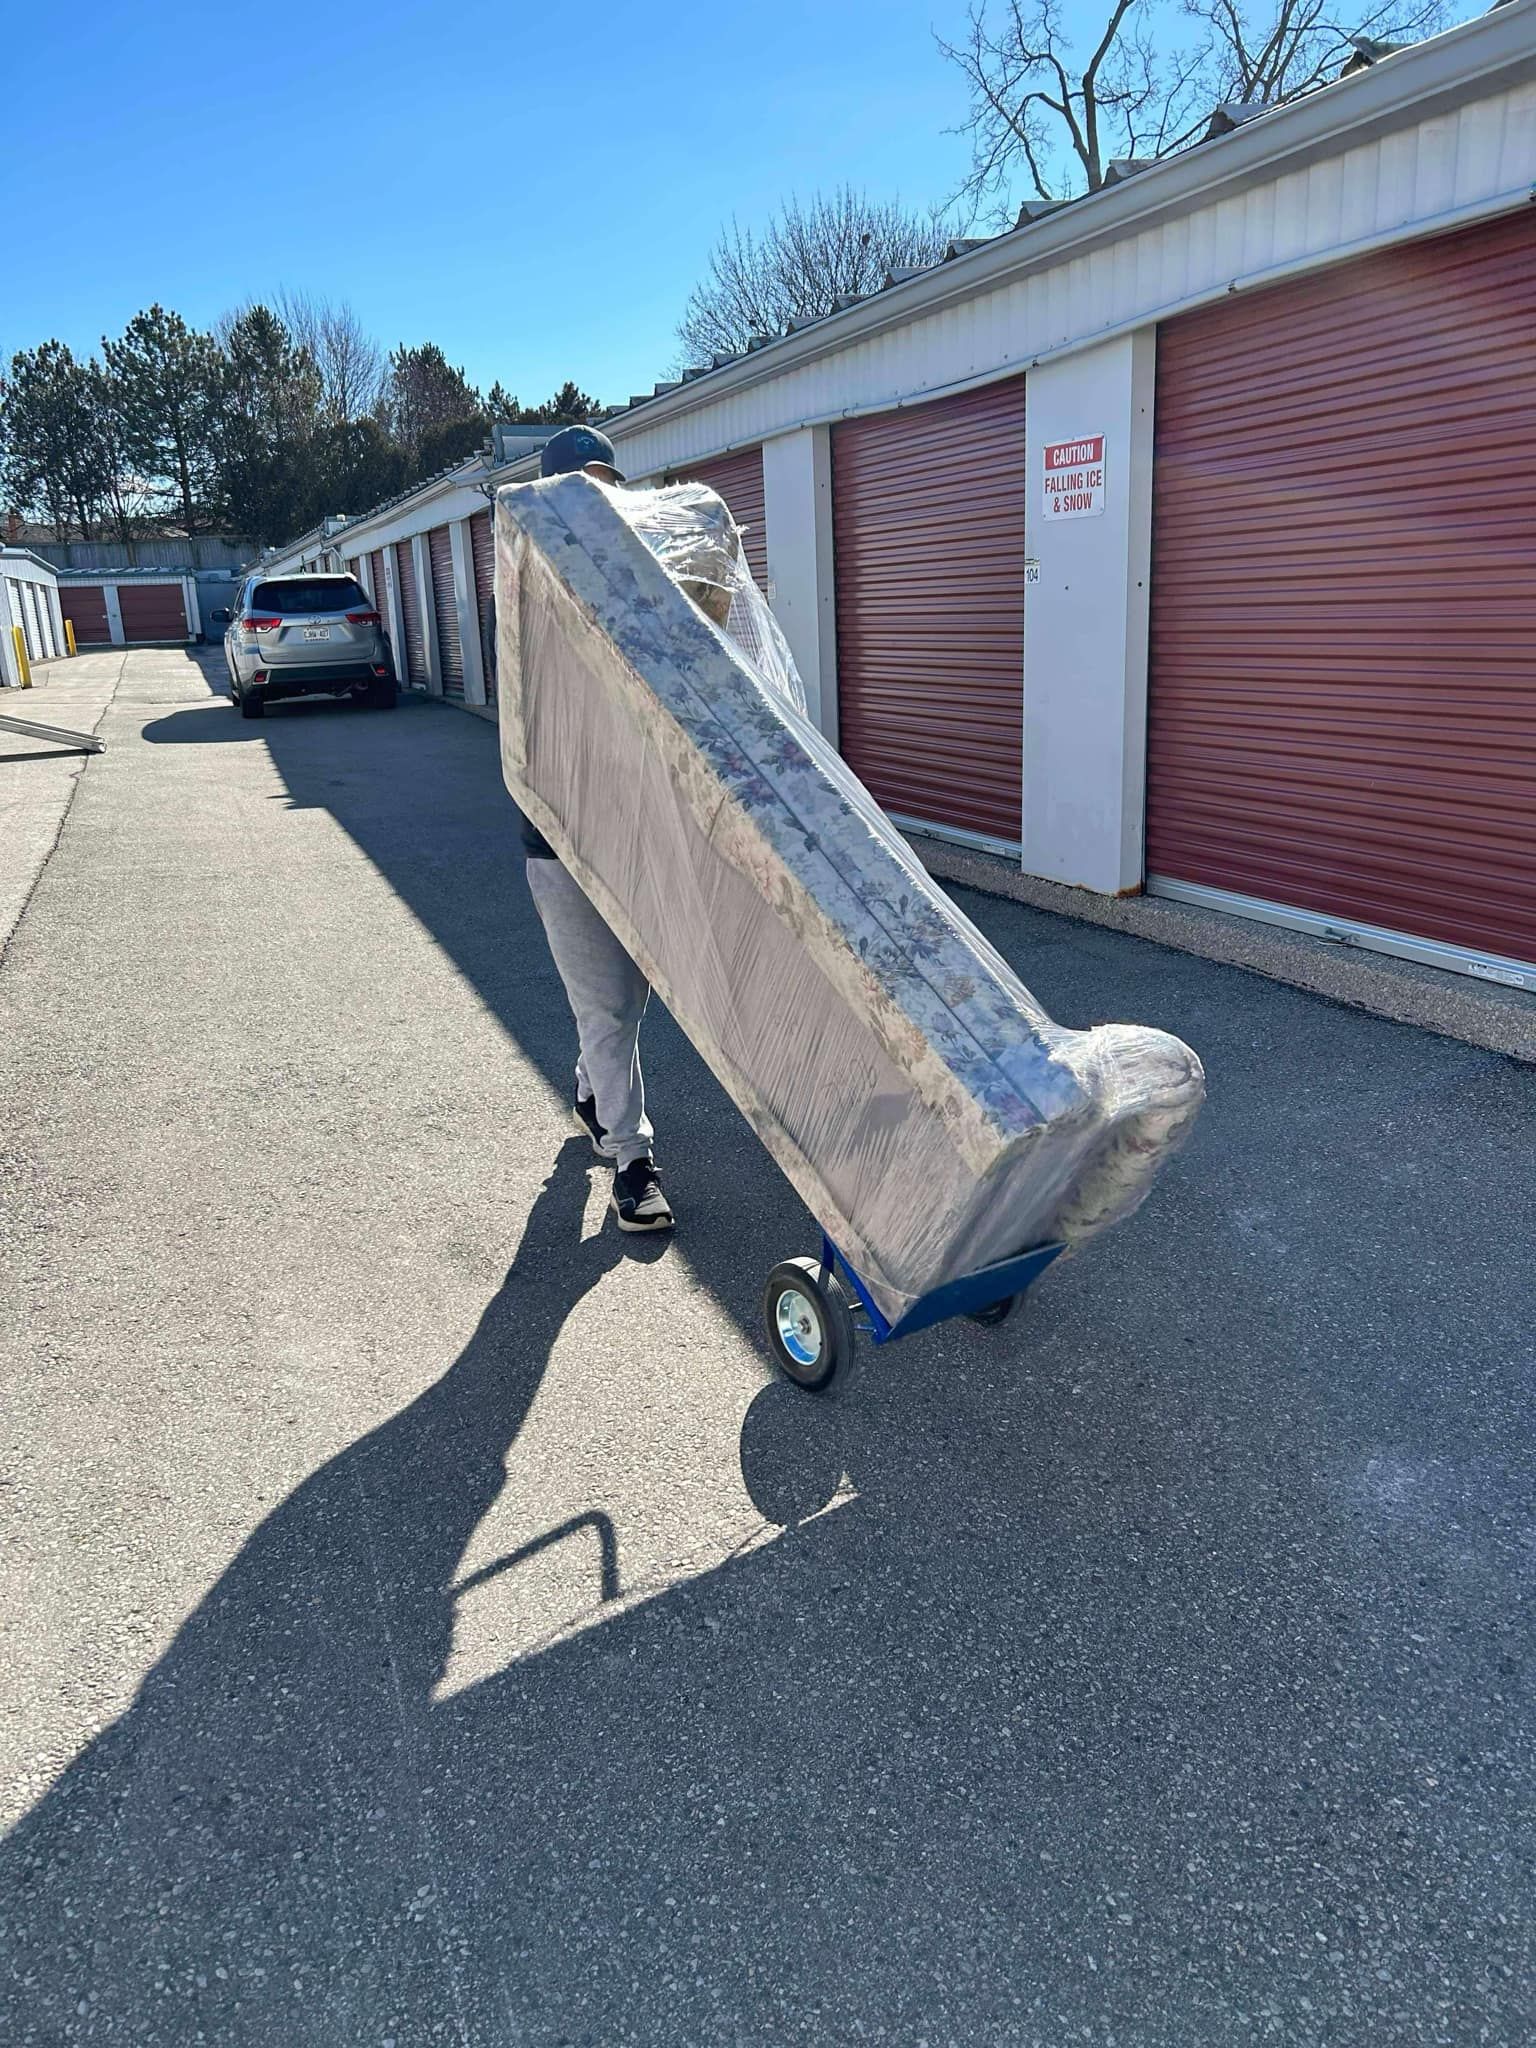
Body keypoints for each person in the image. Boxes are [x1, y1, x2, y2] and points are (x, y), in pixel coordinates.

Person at [516, 424, 675, 1234]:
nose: (599, 503)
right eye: (583, 489)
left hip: (640, 830)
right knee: (605, 1006)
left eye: (608, 487)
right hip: (560, 834)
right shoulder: (528, 590)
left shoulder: (644, 591)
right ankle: (630, 1160)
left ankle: (589, 1084)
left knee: (630, 999)